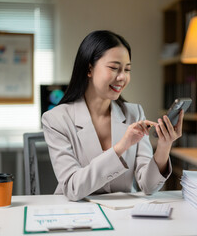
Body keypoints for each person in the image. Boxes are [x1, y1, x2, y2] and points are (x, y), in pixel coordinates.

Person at [42, 30, 184, 201]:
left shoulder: (134, 113)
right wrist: (121, 147)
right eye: (114, 68)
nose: (122, 77)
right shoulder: (56, 119)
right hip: (76, 215)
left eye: (127, 69)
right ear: (89, 69)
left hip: (123, 217)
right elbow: (72, 187)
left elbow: (148, 186)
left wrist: (164, 146)